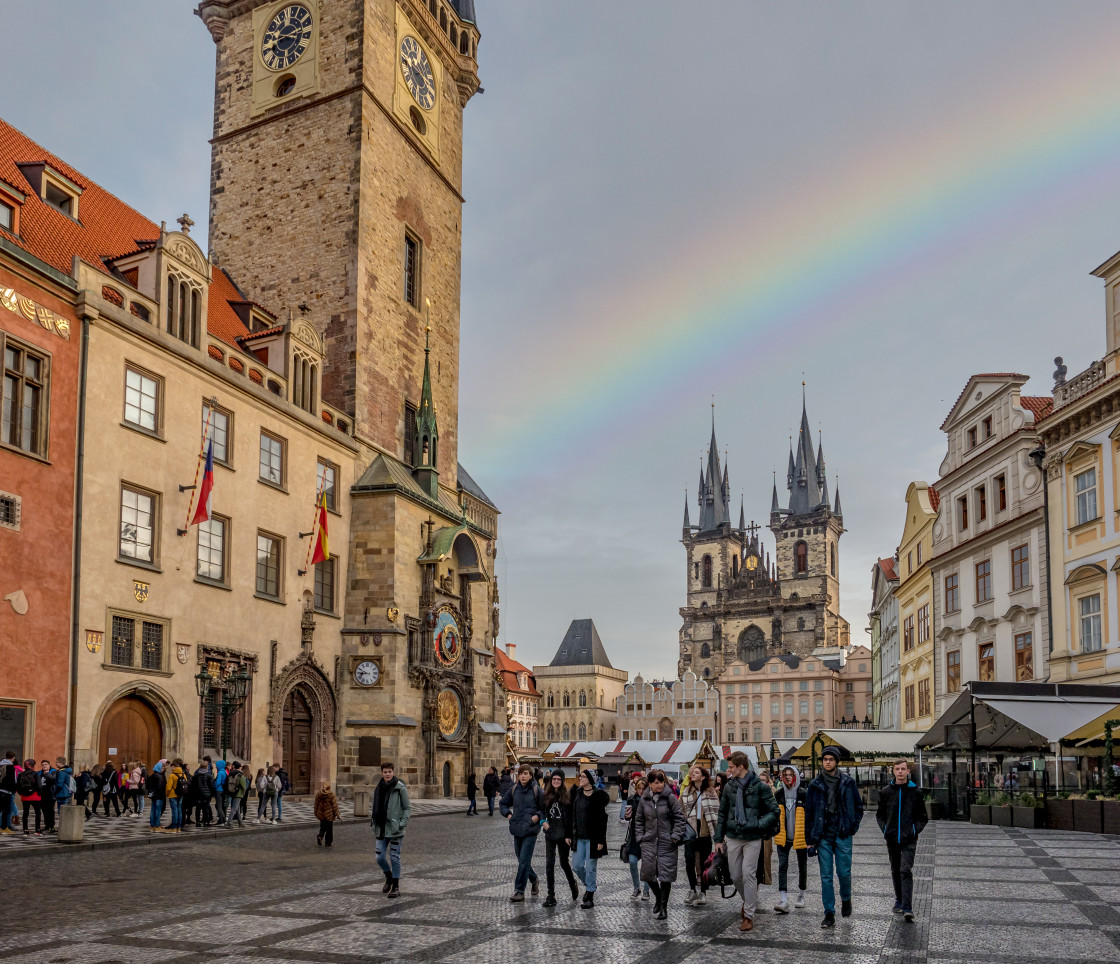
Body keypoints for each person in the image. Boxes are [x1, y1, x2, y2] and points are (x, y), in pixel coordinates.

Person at [713, 750, 780, 933]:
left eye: (732, 767)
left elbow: (774, 811)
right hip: (733, 836)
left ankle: (749, 915)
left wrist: (758, 825)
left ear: (741, 767)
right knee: (735, 875)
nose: (729, 770)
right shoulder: (729, 787)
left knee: (749, 873)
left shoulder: (761, 787)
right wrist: (718, 839)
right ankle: (749, 900)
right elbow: (722, 813)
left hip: (753, 837)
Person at [805, 746, 864, 928]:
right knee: (826, 876)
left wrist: (852, 826)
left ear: (836, 761)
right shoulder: (815, 785)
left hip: (843, 833)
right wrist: (809, 840)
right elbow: (809, 814)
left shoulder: (848, 782)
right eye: (825, 759)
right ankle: (829, 913)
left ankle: (846, 898)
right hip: (823, 835)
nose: (827, 762)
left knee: (844, 872)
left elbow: (858, 807)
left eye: (831, 759)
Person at [876, 759, 927, 922]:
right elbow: (880, 815)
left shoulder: (915, 792)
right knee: (895, 869)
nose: (900, 772)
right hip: (892, 838)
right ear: (893, 771)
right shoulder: (886, 792)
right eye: (897, 769)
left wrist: (913, 830)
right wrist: (886, 829)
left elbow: (923, 817)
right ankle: (898, 899)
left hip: (908, 839)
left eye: (902, 769)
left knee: (905, 869)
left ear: (907, 771)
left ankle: (907, 906)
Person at [633, 768, 686, 920]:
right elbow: (639, 820)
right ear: (650, 784)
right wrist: (640, 837)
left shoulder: (670, 798)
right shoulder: (645, 799)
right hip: (649, 841)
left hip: (666, 842)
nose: (660, 785)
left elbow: (679, 818)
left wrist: (675, 836)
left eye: (661, 782)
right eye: (656, 783)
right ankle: (658, 897)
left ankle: (663, 908)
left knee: (665, 876)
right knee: (648, 874)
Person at [679, 765, 720, 907]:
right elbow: (681, 810)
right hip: (690, 830)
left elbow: (716, 811)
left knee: (704, 863)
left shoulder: (710, 792)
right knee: (689, 860)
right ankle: (692, 889)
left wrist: (717, 833)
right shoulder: (686, 791)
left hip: (705, 831)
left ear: (703, 776)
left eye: (696, 773)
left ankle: (703, 892)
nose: (693, 775)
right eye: (692, 773)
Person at [500, 764, 542, 902]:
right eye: (520, 774)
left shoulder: (537, 790)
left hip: (530, 829)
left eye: (525, 773)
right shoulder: (514, 789)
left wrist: (537, 816)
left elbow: (545, 808)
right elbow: (503, 803)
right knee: (521, 859)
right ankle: (534, 879)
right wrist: (509, 815)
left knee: (524, 860)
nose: (522, 776)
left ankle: (519, 891)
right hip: (517, 828)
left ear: (531, 775)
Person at [568, 768, 609, 909]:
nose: (580, 778)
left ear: (590, 780)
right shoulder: (576, 794)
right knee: (577, 866)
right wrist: (569, 834)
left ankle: (589, 895)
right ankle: (590, 886)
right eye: (581, 776)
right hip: (578, 836)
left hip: (593, 838)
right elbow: (571, 816)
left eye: (584, 777)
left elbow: (602, 820)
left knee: (591, 867)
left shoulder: (598, 796)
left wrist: (600, 841)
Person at [371, 762, 411, 898]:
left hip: (395, 829)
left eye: (389, 772)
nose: (387, 774)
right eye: (385, 772)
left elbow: (407, 808)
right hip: (381, 828)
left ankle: (396, 886)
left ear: (393, 772)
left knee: (394, 857)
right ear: (381, 773)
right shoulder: (379, 788)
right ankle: (388, 876)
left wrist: (402, 823)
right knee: (379, 857)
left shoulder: (400, 788)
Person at [773, 765, 808, 913]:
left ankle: (801, 895)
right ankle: (783, 898)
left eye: (790, 774)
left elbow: (809, 816)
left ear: (795, 776)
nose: (787, 777)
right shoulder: (779, 794)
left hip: (800, 835)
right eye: (785, 774)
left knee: (802, 865)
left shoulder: (803, 794)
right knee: (782, 866)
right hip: (783, 836)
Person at [541, 769, 578, 906]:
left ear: (562, 781)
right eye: (554, 779)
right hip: (550, 833)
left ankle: (572, 884)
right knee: (549, 864)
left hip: (563, 836)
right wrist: (542, 822)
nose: (556, 781)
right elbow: (541, 812)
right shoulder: (546, 795)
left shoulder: (567, 797)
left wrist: (569, 835)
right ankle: (551, 895)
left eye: (558, 779)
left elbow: (570, 818)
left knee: (563, 862)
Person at [622, 777, 650, 901]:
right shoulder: (631, 799)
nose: (641, 791)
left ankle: (646, 890)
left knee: (646, 865)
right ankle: (636, 887)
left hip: (647, 835)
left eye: (643, 789)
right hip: (634, 835)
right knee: (633, 862)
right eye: (639, 788)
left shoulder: (651, 800)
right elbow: (627, 817)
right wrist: (627, 815)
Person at [17, 758, 41, 836]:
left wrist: (21, 794)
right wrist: (39, 793)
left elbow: (17, 786)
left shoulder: (21, 774)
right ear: (33, 765)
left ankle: (25, 829)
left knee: (25, 813)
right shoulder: (35, 774)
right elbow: (39, 786)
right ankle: (37, 829)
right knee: (37, 813)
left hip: (25, 797)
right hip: (35, 796)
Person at [314, 782, 340, 847]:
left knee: (322, 826)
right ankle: (328, 842)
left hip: (321, 813)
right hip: (329, 814)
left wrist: (316, 813)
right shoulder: (331, 794)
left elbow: (316, 804)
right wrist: (337, 813)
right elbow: (334, 805)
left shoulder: (319, 794)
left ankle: (320, 836)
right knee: (329, 829)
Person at [192, 758, 215, 826]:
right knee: (205, 807)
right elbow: (211, 785)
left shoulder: (196, 774)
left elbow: (194, 784)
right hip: (207, 794)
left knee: (198, 808)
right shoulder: (209, 774)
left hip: (198, 793)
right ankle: (205, 821)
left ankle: (198, 821)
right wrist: (212, 792)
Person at [166, 759, 187, 832]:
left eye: (171, 767)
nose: (171, 768)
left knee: (174, 811)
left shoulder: (172, 775)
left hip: (173, 795)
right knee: (179, 811)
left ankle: (174, 827)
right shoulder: (183, 774)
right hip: (180, 795)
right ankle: (179, 827)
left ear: (174, 766)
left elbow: (168, 787)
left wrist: (167, 794)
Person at [224, 762, 246, 828]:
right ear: (239, 767)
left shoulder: (231, 773)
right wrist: (243, 793)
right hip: (238, 793)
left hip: (232, 792)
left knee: (237, 809)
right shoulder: (240, 775)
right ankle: (229, 822)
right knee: (234, 808)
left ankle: (240, 822)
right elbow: (243, 786)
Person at [147, 761, 166, 831]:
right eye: (162, 768)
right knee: (158, 811)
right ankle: (157, 825)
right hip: (159, 796)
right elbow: (160, 786)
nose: (163, 769)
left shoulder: (152, 775)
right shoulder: (160, 776)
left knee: (153, 810)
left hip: (153, 795)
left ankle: (152, 825)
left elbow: (148, 785)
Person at [0, 751, 16, 833]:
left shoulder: (1, 765)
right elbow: (11, 781)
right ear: (13, 758)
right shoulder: (10, 767)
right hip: (6, 792)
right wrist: (13, 790)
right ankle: (4, 828)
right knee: (6, 811)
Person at [213, 760, 228, 825]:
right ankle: (221, 820)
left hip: (219, 790)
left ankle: (223, 819)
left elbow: (218, 782)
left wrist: (214, 787)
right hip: (223, 790)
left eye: (217, 765)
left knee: (219, 806)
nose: (216, 767)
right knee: (221, 806)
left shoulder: (220, 773)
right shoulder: (225, 772)